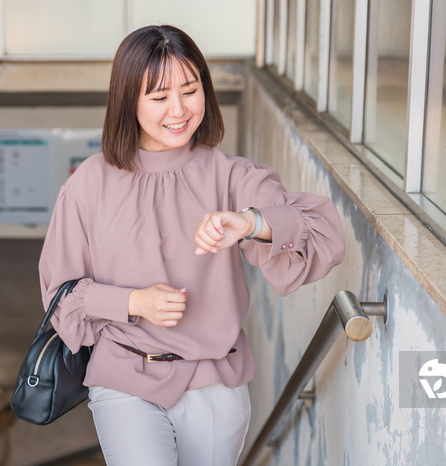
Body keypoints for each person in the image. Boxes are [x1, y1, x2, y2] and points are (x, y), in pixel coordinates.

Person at [38, 25, 345, 466]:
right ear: (130, 101)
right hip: (123, 375)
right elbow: (60, 296)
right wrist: (133, 301)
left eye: (191, 89)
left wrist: (249, 222)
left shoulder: (233, 176)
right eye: (160, 97)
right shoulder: (89, 182)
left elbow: (322, 235)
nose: (179, 110)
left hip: (215, 379)